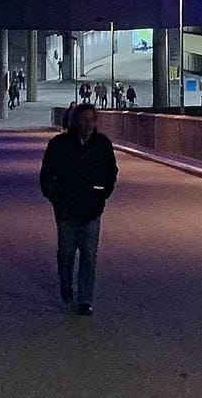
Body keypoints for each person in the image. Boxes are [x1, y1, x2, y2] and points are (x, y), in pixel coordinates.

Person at [38, 103, 117, 315]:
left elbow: (111, 173)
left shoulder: (102, 145)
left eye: (92, 120)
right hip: (66, 211)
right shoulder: (59, 144)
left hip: (92, 210)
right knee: (66, 254)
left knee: (89, 257)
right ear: (75, 121)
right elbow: (46, 174)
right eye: (84, 119)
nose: (88, 124)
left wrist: (102, 194)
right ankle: (66, 285)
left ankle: (85, 300)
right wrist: (56, 198)